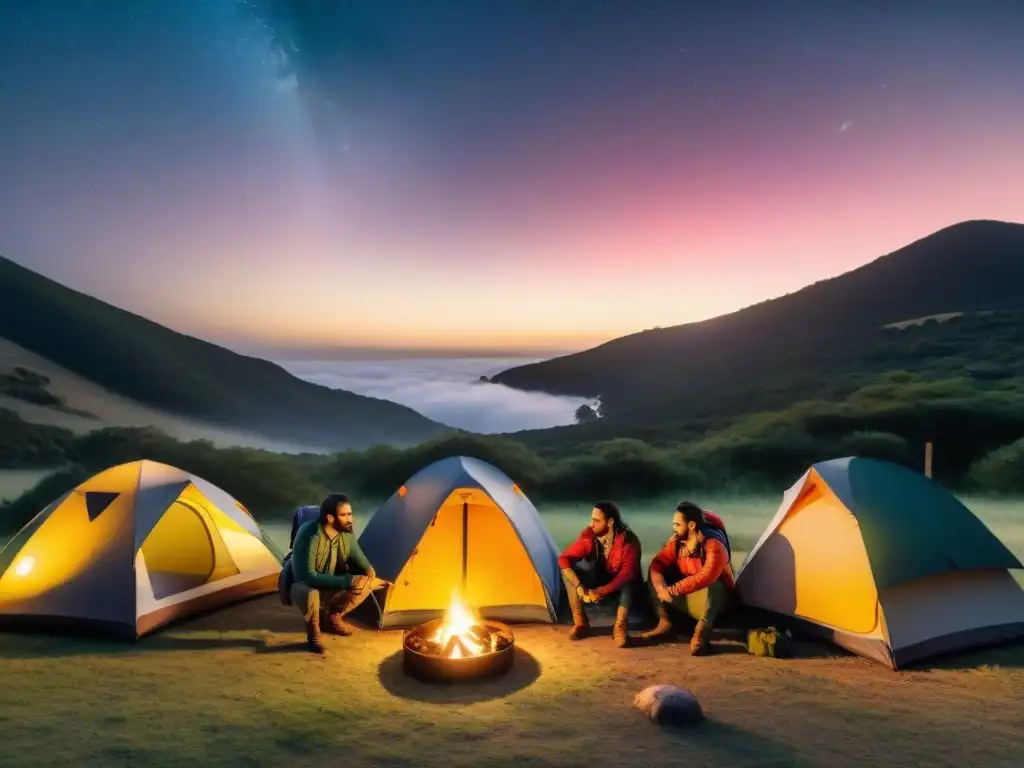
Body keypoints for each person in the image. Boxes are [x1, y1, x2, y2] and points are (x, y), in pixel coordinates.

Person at [290, 493, 389, 654]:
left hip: (329, 582)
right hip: (302, 585)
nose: (350, 519)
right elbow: (306, 577)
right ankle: (314, 634)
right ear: (330, 518)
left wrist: (370, 576)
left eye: (350, 514)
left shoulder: (346, 533)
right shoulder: (310, 533)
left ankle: (332, 618)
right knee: (311, 594)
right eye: (344, 515)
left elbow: (362, 562)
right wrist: (348, 581)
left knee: (367, 582)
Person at [638, 501, 734, 655]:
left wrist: (672, 590)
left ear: (691, 525)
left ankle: (701, 633)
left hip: (716, 604)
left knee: (714, 584)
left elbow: (705, 577)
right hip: (689, 596)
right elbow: (657, 564)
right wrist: (661, 587)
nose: (674, 528)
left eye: (677, 524)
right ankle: (665, 623)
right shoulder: (677, 543)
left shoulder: (714, 546)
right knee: (656, 573)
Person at [558, 500, 642, 648]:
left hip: (620, 587)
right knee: (569, 572)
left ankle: (620, 626)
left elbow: (627, 574)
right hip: (597, 580)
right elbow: (564, 559)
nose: (591, 524)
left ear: (610, 522)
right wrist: (579, 586)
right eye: (592, 519)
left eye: (596, 521)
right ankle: (581, 623)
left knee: (629, 578)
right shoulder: (588, 536)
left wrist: (601, 592)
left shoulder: (629, 542)